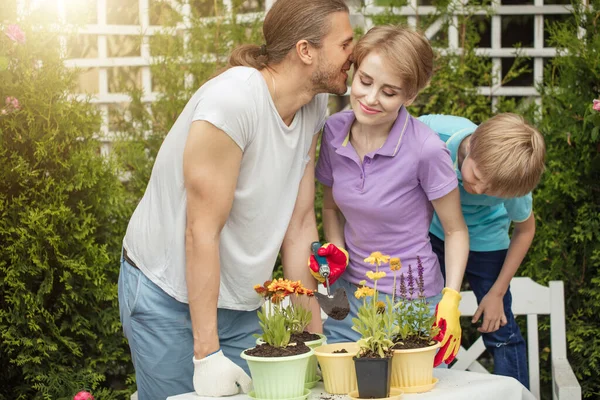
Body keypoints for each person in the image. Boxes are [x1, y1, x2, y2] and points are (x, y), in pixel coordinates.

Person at [117, 1, 355, 398]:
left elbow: (298, 228)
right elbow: (201, 231)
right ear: (305, 50)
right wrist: (206, 355)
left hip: (241, 303)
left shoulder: (312, 106)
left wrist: (316, 341)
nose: (354, 53)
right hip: (168, 296)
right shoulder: (234, 101)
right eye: (346, 43)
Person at [311, 25, 470, 367]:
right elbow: (329, 205)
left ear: (409, 96)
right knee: (340, 386)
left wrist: (451, 298)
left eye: (389, 91)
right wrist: (336, 249)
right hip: (351, 297)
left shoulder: (426, 150)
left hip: (411, 299)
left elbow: (456, 230)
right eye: (365, 81)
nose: (370, 99)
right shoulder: (334, 131)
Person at [419, 113, 546, 388]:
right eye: (476, 177)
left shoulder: (513, 184)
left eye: (492, 191)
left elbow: (525, 230)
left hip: (487, 242)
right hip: (436, 233)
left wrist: (497, 292)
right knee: (428, 320)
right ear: (473, 143)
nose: (478, 190)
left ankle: (517, 393)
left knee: (499, 327)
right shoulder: (433, 133)